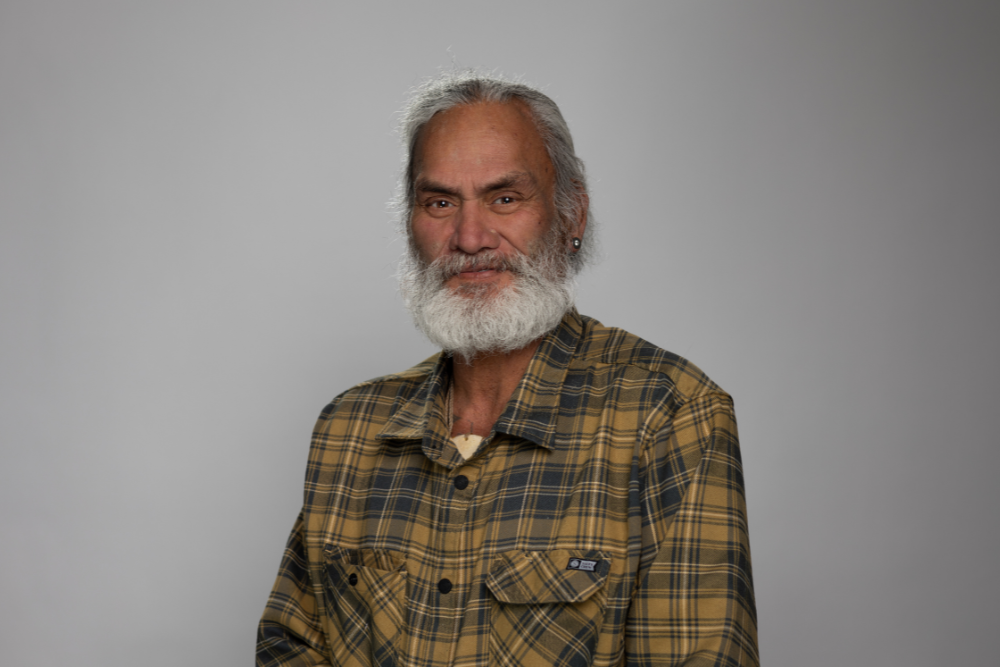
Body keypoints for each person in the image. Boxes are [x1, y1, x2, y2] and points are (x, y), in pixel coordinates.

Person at [257, 72, 758, 667]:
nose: (470, 237)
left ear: (571, 215)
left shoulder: (670, 416)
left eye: (505, 198)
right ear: (410, 225)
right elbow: (290, 648)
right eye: (439, 202)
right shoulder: (349, 430)